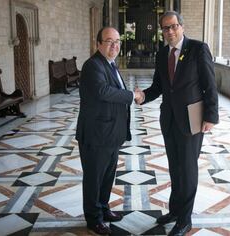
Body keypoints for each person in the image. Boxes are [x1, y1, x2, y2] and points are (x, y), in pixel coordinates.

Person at [135, 11, 219, 236]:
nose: (170, 31)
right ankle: (174, 211)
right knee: (175, 167)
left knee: (188, 169)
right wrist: (143, 96)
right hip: (169, 120)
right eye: (165, 28)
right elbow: (159, 86)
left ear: (182, 26)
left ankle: (185, 219)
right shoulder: (163, 53)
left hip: (192, 119)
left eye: (173, 26)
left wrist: (211, 116)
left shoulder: (198, 48)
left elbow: (210, 85)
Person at [76, 26, 143, 235]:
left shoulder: (110, 64)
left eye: (117, 41)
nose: (114, 45)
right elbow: (103, 91)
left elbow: (114, 92)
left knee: (107, 177)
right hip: (96, 135)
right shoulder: (92, 65)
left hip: (111, 133)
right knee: (94, 178)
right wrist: (132, 96)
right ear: (98, 44)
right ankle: (93, 219)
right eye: (109, 41)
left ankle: (103, 209)